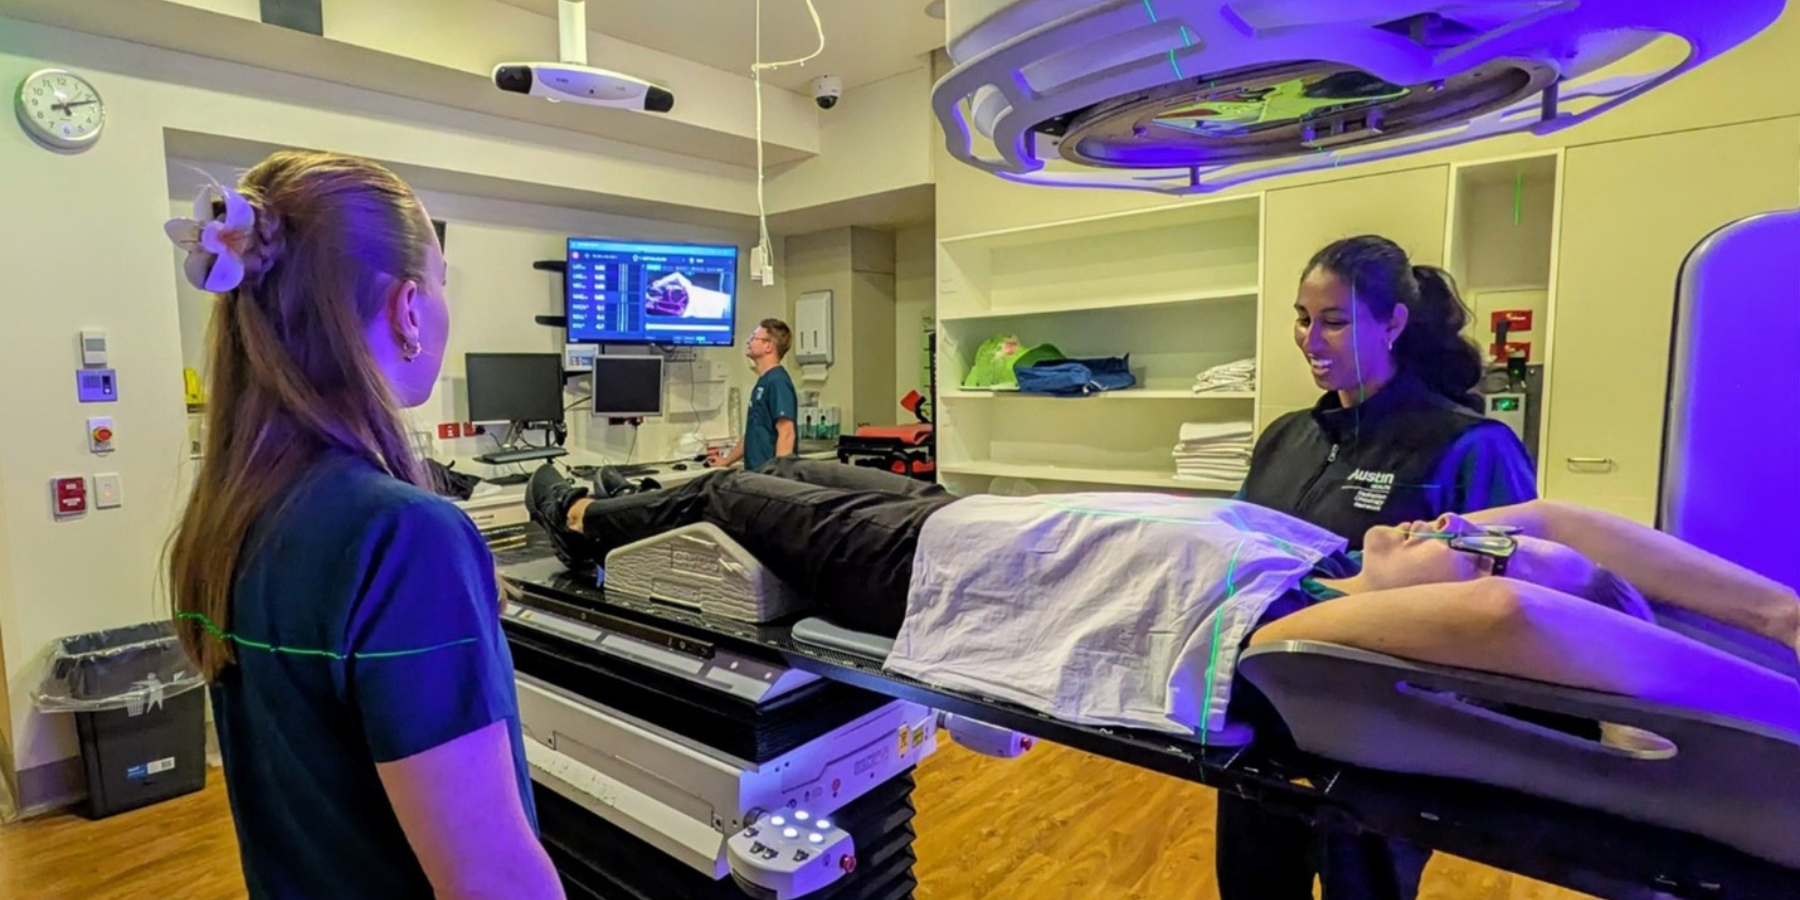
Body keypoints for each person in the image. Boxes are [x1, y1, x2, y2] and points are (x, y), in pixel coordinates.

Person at [522, 460, 1800, 729]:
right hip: (965, 514)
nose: (1449, 524)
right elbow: (1557, 533)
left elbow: (1511, 611)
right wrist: (1778, 620)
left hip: (929, 571)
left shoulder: (1300, 622)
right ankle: (614, 498)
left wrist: (1742, 702)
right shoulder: (1327, 551)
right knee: (793, 468)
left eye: (1471, 542)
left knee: (746, 490)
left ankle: (575, 517)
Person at [163, 151, 563, 900]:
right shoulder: (405, 537)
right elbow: (491, 880)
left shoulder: (224, 520)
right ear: (408, 308)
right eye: (442, 284)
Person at [1221, 234, 1542, 900]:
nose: (1312, 339)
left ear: (1392, 323)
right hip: (1264, 720)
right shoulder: (1287, 436)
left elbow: (1509, 596)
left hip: (1383, 742)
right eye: (1303, 318)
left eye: (1335, 322)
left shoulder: (1470, 446)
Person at [706, 318, 798, 472]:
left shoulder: (777, 381)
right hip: (755, 474)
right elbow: (753, 433)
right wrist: (726, 461)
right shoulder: (763, 382)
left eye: (754, 338)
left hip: (770, 477)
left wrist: (779, 477)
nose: (749, 341)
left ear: (768, 346)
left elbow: (787, 432)